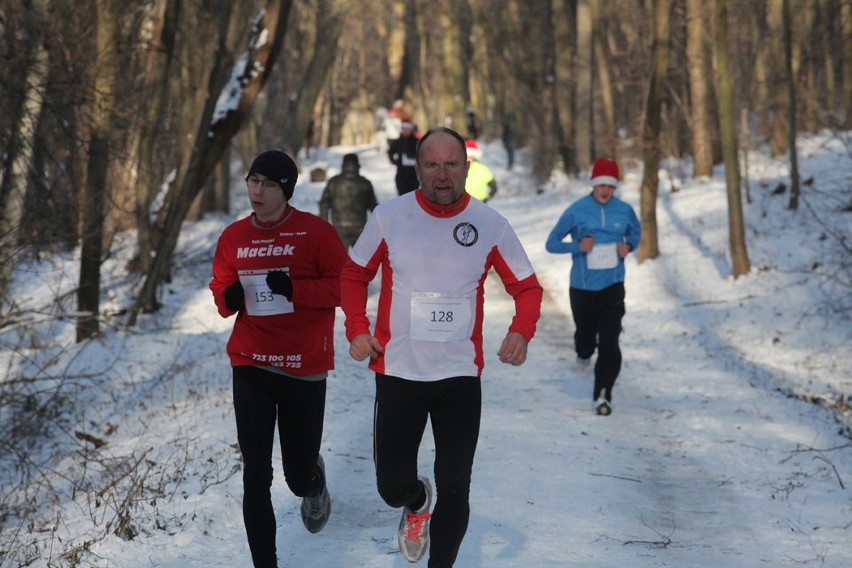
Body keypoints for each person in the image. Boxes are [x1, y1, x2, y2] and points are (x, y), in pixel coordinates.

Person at [341, 127, 543, 567]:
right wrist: (357, 327)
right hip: (398, 372)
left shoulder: (490, 225)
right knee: (390, 486)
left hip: (458, 377)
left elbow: (527, 287)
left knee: (456, 485)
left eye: (452, 164)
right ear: (418, 168)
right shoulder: (389, 217)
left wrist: (520, 330)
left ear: (467, 167)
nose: (442, 174)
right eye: (432, 164)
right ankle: (416, 503)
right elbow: (353, 274)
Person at [210, 150, 347, 567]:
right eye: (253, 180)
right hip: (251, 361)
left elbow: (346, 289)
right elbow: (221, 289)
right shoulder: (234, 237)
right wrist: (228, 298)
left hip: (304, 366)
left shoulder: (316, 233)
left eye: (268, 184)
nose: (257, 190)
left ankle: (313, 479)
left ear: (285, 190)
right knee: (256, 473)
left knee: (295, 476)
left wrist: (295, 290)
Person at [544, 157, 641, 416]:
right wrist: (577, 246)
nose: (605, 190)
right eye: (601, 185)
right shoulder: (577, 210)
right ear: (593, 184)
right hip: (583, 287)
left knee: (610, 342)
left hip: (612, 285)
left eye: (610, 186)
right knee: (586, 337)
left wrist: (628, 246)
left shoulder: (624, 210)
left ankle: (603, 394)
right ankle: (584, 350)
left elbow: (635, 233)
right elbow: (551, 243)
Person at [318, 153, 378, 249]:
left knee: (339, 261)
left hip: (338, 227)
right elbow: (374, 207)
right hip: (360, 227)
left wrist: (324, 224)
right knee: (360, 261)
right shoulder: (365, 183)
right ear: (358, 165)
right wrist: (375, 227)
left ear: (343, 165)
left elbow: (324, 204)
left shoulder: (333, 182)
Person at [387, 121, 419, 195]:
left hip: (413, 175)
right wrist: (395, 161)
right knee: (402, 195)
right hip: (401, 175)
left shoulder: (417, 142)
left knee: (412, 196)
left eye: (407, 129)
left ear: (410, 130)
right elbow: (390, 152)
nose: (405, 131)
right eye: (403, 129)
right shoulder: (397, 142)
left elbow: (422, 155)